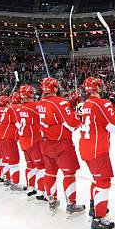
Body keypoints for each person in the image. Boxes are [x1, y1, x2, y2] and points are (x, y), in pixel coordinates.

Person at [79, 77, 115, 229]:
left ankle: (94, 206)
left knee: (97, 179)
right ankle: (99, 219)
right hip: (97, 149)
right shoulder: (101, 103)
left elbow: (99, 115)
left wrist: (112, 103)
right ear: (97, 88)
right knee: (103, 182)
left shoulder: (86, 104)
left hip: (86, 147)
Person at [35, 77, 85, 217]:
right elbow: (73, 123)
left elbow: (54, 115)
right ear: (55, 88)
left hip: (46, 143)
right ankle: (71, 204)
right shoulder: (60, 102)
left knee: (50, 173)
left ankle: (51, 200)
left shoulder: (41, 102)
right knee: (69, 173)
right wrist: (76, 116)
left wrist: (69, 106)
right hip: (61, 144)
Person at [12, 85, 47, 202]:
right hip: (34, 141)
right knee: (41, 166)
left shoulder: (19, 108)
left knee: (30, 165)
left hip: (23, 142)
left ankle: (30, 188)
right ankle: (41, 192)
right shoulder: (35, 106)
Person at [0, 92, 22, 188]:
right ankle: (15, 183)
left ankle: (7, 178)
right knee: (13, 161)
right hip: (7, 138)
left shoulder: (8, 108)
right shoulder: (15, 108)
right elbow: (19, 124)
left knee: (5, 159)